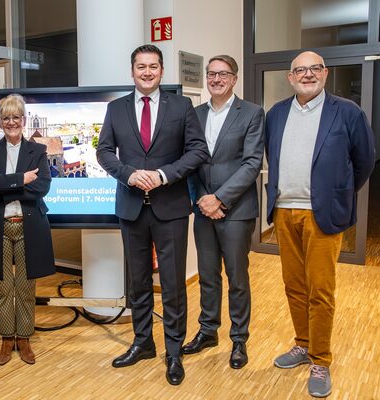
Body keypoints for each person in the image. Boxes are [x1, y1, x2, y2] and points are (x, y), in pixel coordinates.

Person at [96, 44, 209, 386]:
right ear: (132, 71)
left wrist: (163, 175)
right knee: (139, 283)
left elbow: (198, 150)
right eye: (141, 66)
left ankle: (173, 352)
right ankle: (143, 343)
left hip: (171, 207)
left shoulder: (181, 105)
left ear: (162, 71)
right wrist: (128, 173)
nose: (147, 72)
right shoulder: (115, 109)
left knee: (173, 285)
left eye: (153, 66)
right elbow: (103, 151)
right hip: (131, 208)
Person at [266, 51, 375, 398]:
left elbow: (365, 160)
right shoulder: (277, 113)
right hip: (284, 211)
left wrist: (338, 192)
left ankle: (321, 360)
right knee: (294, 286)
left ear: (325, 73)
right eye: (300, 69)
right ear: (290, 77)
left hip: (322, 214)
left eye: (314, 68)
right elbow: (273, 153)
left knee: (321, 290)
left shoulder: (347, 111)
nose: (307, 74)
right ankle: (302, 344)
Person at [184, 55, 264, 369]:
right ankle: (208, 331)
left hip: (237, 210)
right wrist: (203, 198)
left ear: (234, 78)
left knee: (237, 278)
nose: (216, 79)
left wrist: (220, 199)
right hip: (204, 210)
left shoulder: (253, 113)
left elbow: (252, 163)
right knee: (207, 276)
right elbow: (190, 159)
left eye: (223, 74)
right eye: (212, 74)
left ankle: (239, 339)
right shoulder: (196, 113)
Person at [0, 94, 55, 366]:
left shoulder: (38, 151)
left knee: (26, 285)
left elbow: (41, 188)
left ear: (24, 120)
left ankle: (25, 337)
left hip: (28, 225)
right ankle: (8, 338)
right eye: (6, 118)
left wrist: (3, 181)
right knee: (3, 284)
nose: (11, 122)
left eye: (16, 117)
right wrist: (21, 179)